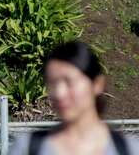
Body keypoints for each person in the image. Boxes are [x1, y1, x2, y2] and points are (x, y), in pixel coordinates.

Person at [8, 42, 139, 155]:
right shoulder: (28, 148)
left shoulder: (129, 149)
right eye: (52, 83)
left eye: (69, 82)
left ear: (97, 84)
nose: (59, 93)